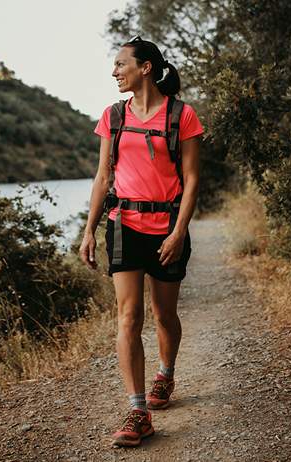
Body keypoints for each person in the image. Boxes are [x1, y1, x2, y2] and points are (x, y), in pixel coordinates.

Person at [78, 36, 203, 447]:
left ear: (145, 67)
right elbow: (102, 177)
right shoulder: (112, 116)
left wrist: (179, 230)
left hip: (167, 225)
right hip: (123, 224)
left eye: (120, 64)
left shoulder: (182, 116)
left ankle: (165, 374)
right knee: (129, 317)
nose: (114, 72)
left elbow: (191, 180)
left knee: (164, 314)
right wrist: (89, 229)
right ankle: (138, 411)